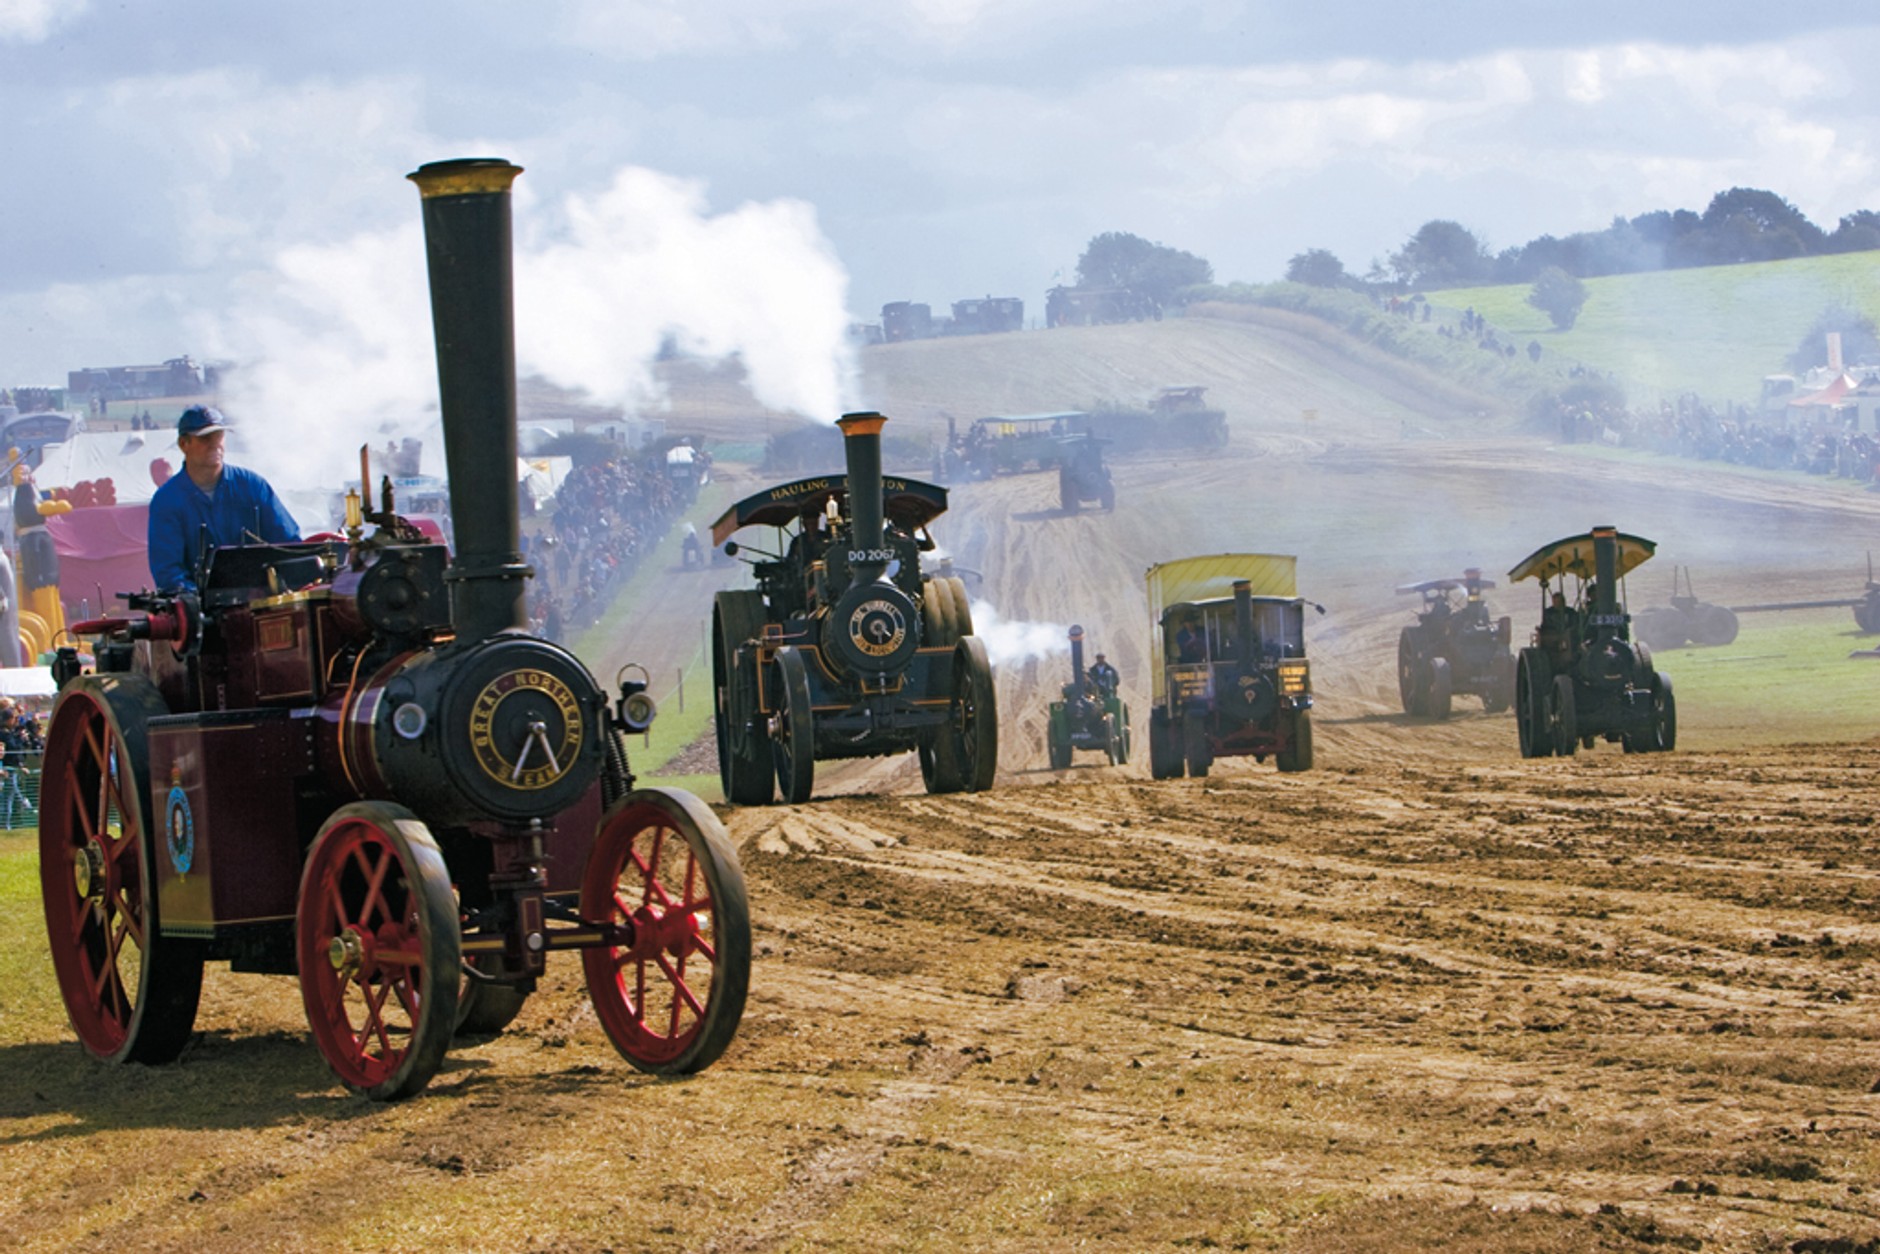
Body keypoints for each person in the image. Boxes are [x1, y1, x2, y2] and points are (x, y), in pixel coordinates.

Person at [147, 406, 300, 592]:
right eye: (205, 438)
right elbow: (168, 573)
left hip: (262, 605)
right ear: (183, 444)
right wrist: (200, 599)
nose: (215, 444)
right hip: (204, 615)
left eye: (219, 436)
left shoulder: (253, 486)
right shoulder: (166, 501)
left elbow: (290, 546)